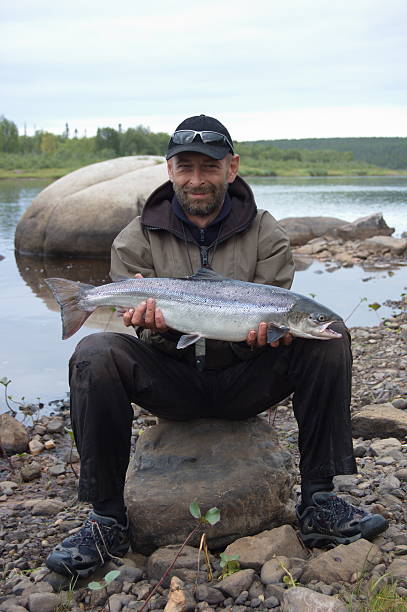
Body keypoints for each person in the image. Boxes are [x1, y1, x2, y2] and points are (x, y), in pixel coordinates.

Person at [46, 114, 388, 578]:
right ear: (170, 171)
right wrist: (154, 326)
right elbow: (139, 331)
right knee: (95, 352)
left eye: (209, 166)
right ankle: (106, 518)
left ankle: (319, 500)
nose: (197, 179)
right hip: (172, 380)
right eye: (186, 167)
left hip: (247, 379)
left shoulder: (267, 234)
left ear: (232, 167)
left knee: (329, 339)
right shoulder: (135, 237)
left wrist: (266, 338)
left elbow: (283, 318)